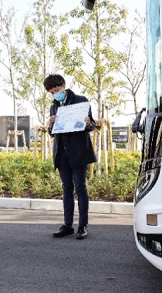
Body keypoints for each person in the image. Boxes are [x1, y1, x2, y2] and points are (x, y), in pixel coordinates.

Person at [44, 74, 97, 240]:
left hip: (79, 152)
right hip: (62, 154)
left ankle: (83, 226)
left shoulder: (81, 101)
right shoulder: (54, 106)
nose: (55, 94)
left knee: (80, 188)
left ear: (64, 86)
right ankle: (67, 225)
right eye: (52, 92)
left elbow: (92, 125)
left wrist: (88, 123)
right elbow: (54, 134)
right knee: (66, 189)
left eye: (57, 90)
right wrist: (50, 125)